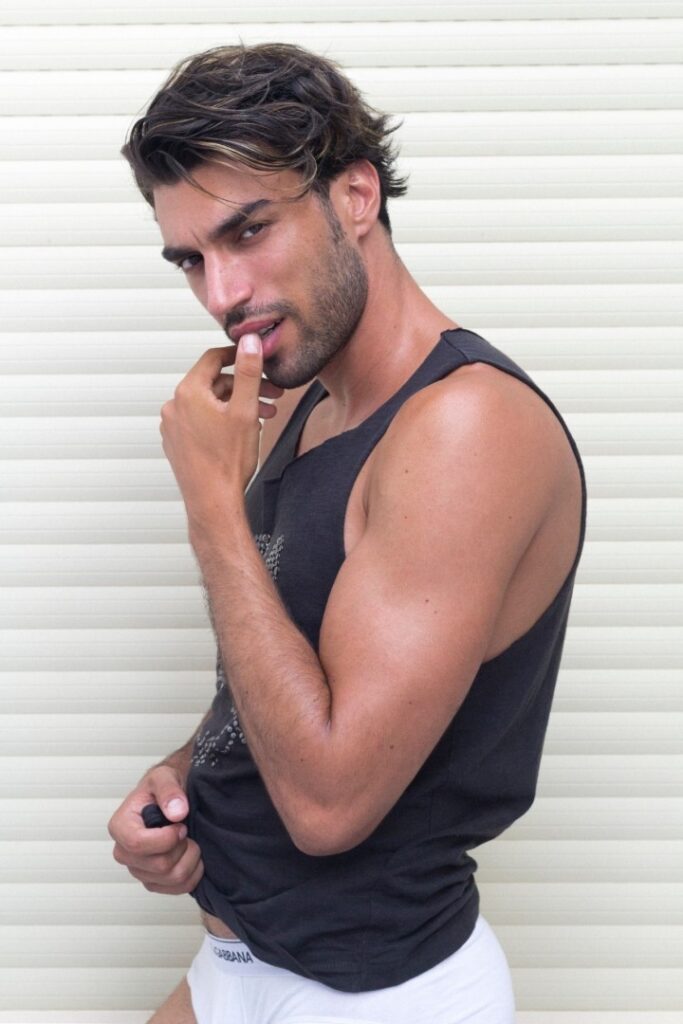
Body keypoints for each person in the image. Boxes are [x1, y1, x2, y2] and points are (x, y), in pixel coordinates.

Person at [108, 42, 586, 1024]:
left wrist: (210, 505)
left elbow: (329, 805)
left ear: (355, 195)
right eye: (192, 259)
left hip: (378, 990)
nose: (221, 294)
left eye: (247, 231)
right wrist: (187, 770)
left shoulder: (462, 427)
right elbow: (301, 664)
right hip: (240, 962)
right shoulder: (307, 403)